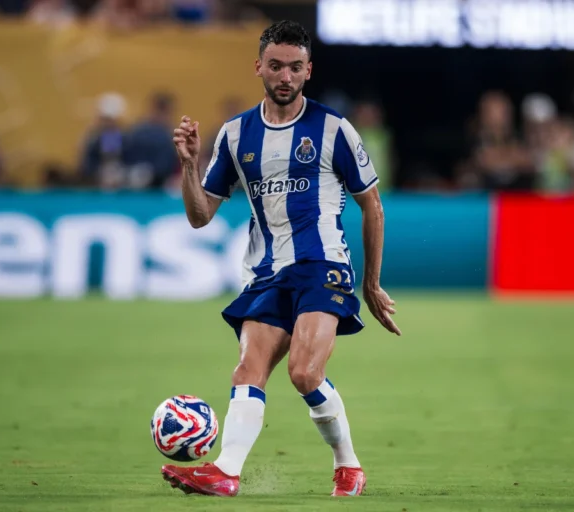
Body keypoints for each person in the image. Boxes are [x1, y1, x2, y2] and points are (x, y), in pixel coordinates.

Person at [160, 20, 401, 498]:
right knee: (247, 371)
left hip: (323, 265)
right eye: (275, 66)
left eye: (294, 67)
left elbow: (371, 204)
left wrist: (370, 283)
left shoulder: (333, 128)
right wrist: (189, 165)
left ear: (309, 70)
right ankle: (226, 473)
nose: (285, 76)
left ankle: (347, 465)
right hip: (267, 272)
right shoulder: (234, 135)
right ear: (259, 68)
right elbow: (200, 215)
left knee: (304, 373)